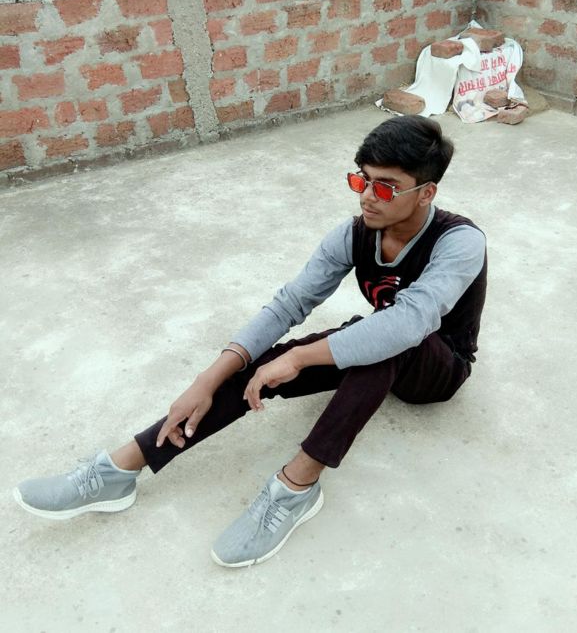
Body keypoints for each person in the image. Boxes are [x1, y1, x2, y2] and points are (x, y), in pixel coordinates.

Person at [14, 114, 487, 568]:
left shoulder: (459, 241)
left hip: (440, 365)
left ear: (426, 192)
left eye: (385, 187)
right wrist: (209, 378)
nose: (367, 196)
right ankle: (122, 468)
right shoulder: (354, 234)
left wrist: (302, 357)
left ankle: (295, 489)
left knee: (384, 344)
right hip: (389, 340)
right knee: (269, 364)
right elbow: (289, 304)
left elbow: (408, 324)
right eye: (360, 180)